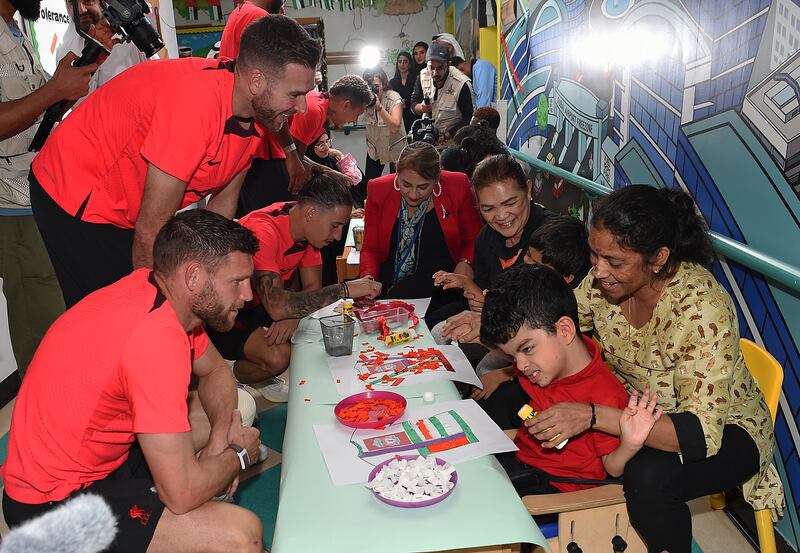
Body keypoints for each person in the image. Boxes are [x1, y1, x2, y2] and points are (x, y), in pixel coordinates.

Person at [522, 185, 784, 553]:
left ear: (658, 258)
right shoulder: (602, 285)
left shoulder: (702, 310)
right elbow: (558, 325)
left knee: (648, 476)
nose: (598, 272)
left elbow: (697, 435)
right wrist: (510, 344)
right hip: (641, 410)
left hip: (727, 428)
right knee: (519, 390)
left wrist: (594, 415)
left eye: (615, 262)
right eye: (594, 255)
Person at [2, 209, 266, 553]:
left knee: (237, 408)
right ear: (195, 276)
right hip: (50, 502)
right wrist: (237, 456)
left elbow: (216, 371)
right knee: (242, 536)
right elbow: (182, 496)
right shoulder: (155, 340)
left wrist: (220, 439)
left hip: (103, 456)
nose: (247, 295)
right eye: (236, 282)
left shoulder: (157, 288)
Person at [30, 15, 322, 308]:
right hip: (73, 191)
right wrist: (156, 313)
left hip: (126, 203)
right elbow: (150, 232)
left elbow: (220, 211)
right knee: (121, 313)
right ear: (257, 81)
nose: (301, 107)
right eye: (295, 94)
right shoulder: (195, 107)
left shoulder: (256, 111)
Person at [481, 264, 661, 495]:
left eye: (527, 348)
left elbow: (612, 468)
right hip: (521, 464)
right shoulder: (545, 368)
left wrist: (630, 444)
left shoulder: (604, 393)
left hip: (558, 489)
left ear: (565, 330)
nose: (521, 365)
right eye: (512, 356)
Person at [207, 170, 381, 402]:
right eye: (335, 226)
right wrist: (345, 289)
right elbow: (279, 307)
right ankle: (225, 371)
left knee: (305, 337)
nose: (338, 236)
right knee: (279, 357)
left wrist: (294, 315)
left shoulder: (305, 227)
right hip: (226, 310)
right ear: (311, 213)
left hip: (262, 303)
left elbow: (312, 287)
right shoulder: (263, 232)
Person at [0, 0, 96, 377]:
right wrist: (53, 89)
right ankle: (45, 430)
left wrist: (89, 60)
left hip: (43, 196)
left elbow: (41, 111)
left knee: (62, 329)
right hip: (14, 210)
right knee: (42, 345)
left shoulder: (15, 28)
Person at [360, 141, 482, 327]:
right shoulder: (378, 189)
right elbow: (371, 248)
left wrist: (465, 262)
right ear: (396, 172)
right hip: (391, 287)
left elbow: (474, 236)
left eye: (423, 187)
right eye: (406, 184)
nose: (413, 194)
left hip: (441, 286)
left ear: (437, 179)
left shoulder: (457, 185)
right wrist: (368, 278)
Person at [57, 0, 154, 109]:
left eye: (88, 0)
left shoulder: (134, 39)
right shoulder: (64, 53)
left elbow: (158, 85)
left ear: (102, 2)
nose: (81, 10)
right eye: (72, 3)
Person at [410, 43, 474, 147]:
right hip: (428, 142)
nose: (435, 73)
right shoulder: (422, 76)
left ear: (448, 64)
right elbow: (413, 102)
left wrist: (447, 135)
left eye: (440, 68)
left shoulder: (462, 84)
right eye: (431, 68)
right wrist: (421, 108)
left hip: (453, 144)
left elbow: (469, 118)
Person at [363, 67, 405, 181]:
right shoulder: (365, 99)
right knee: (370, 184)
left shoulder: (394, 98)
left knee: (397, 184)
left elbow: (395, 126)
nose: (373, 90)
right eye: (369, 87)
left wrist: (379, 108)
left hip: (395, 148)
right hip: (375, 149)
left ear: (384, 85)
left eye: (376, 86)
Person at [389, 51, 418, 135]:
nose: (402, 64)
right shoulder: (392, 82)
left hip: (414, 116)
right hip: (399, 117)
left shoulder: (416, 80)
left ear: (410, 64)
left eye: (405, 62)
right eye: (400, 62)